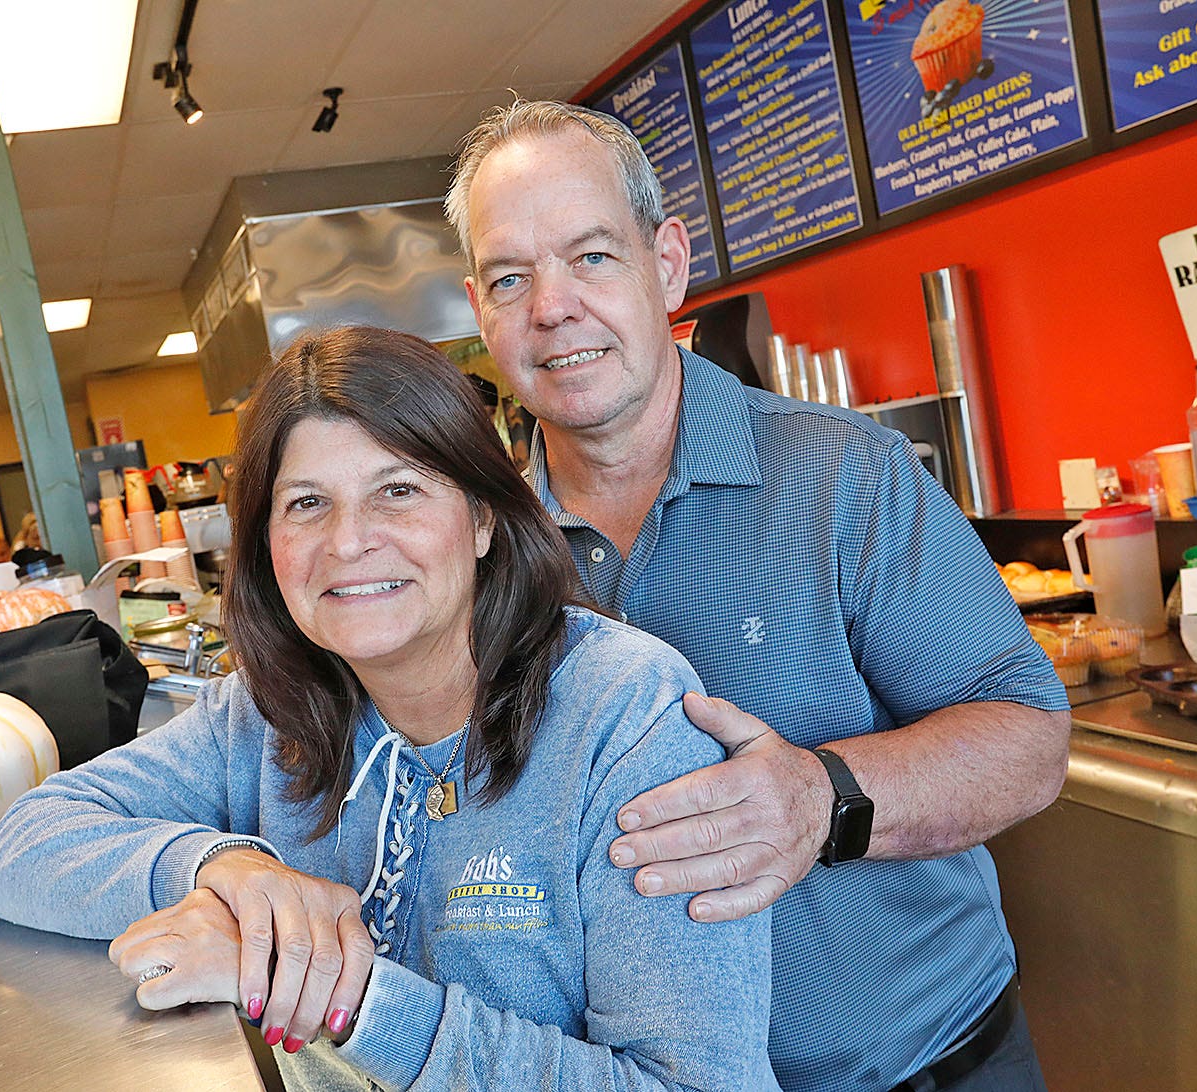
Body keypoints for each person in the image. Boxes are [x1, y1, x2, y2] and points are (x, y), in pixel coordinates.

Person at [446, 100, 1073, 1092]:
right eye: (511, 276)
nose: (551, 306)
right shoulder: (474, 555)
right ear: (478, 306)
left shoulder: (845, 480)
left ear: (669, 263)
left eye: (592, 257)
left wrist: (819, 798)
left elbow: (1029, 743)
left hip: (927, 1070)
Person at [0, 326, 777, 1091]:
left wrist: (349, 999)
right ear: (263, 545)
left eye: (397, 490)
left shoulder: (626, 718)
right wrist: (230, 873)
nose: (348, 542)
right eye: (306, 504)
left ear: (485, 516)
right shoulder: (266, 709)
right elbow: (16, 850)